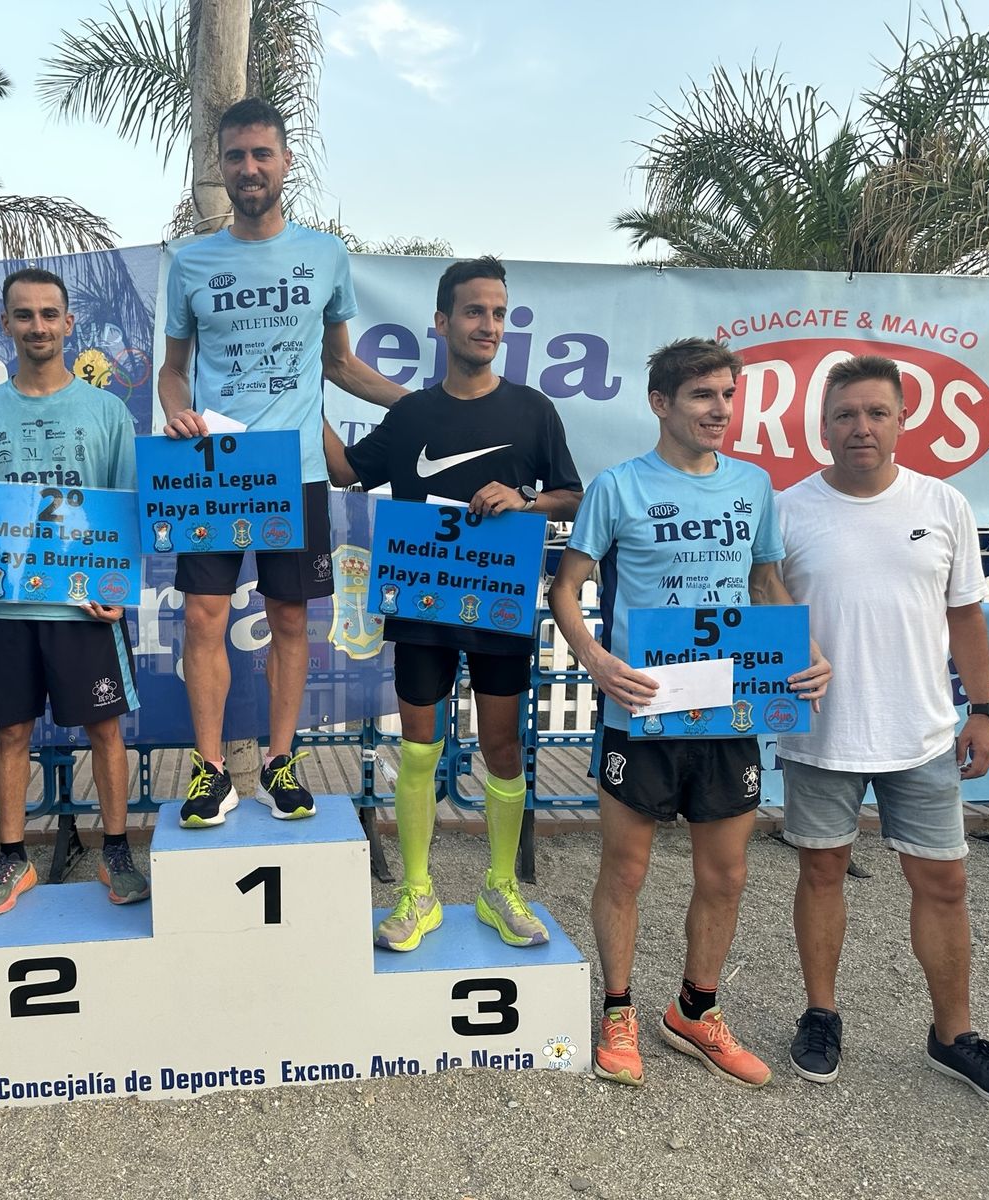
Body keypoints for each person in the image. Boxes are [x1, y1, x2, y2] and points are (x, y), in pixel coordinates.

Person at [547, 338, 830, 1089]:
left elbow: (766, 586)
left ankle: (694, 1013)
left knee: (727, 873)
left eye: (729, 396)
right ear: (660, 403)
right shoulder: (618, 487)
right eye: (704, 395)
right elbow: (565, 590)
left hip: (729, 710)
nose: (720, 410)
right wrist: (597, 661)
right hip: (641, 711)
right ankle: (617, 1012)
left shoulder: (753, 487)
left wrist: (808, 650)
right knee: (627, 867)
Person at [776, 354, 989, 1112]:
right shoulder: (789, 510)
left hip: (921, 731)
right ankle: (821, 1015)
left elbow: (965, 617)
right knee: (821, 874)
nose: (861, 427)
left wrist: (982, 711)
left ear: (901, 420)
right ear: (823, 426)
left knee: (944, 882)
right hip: (820, 735)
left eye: (876, 413)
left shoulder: (945, 504)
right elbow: (767, 613)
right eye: (846, 414)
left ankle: (953, 1036)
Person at [158, 96, 406, 828]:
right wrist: (176, 407)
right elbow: (174, 368)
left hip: (294, 471)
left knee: (290, 619)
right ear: (222, 166)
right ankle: (208, 770)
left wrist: (419, 406)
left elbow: (340, 364)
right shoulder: (190, 261)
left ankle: (279, 761)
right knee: (203, 616)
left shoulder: (326, 254)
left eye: (262, 154)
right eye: (236, 156)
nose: (249, 168)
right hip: (213, 468)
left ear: (286, 162)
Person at [323, 255, 582, 949]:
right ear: (441, 322)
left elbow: (572, 493)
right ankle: (417, 892)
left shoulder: (533, 410)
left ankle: (499, 890)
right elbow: (348, 472)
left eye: (498, 313)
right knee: (417, 747)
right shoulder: (412, 414)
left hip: (498, 603)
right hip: (421, 604)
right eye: (474, 311)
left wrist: (524, 497)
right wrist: (300, 402)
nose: (488, 325)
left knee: (502, 746)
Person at [0, 267, 147, 915]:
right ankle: (13, 860)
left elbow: (123, 509)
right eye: (23, 315)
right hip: (9, 605)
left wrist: (117, 587)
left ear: (70, 324)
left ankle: (114, 850)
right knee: (11, 735)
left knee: (105, 731)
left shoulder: (106, 411)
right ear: (5, 325)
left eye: (48, 314)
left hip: (86, 606)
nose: (37, 326)